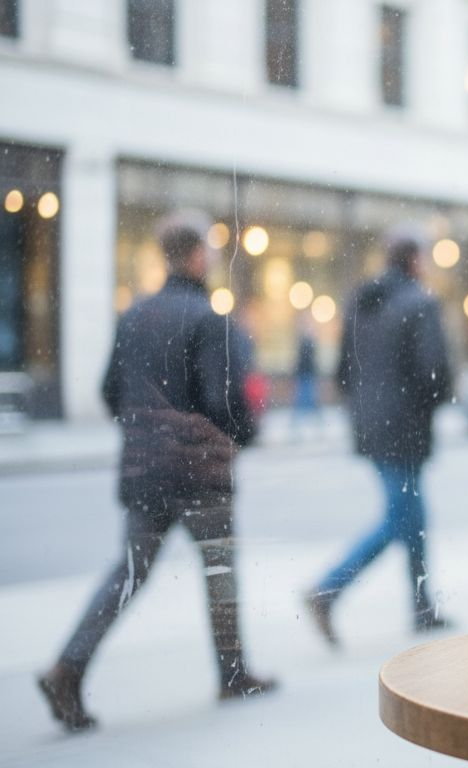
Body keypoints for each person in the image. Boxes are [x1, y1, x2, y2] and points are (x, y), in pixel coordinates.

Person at [37, 212, 275, 732]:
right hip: (197, 469)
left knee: (129, 570)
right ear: (196, 256)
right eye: (208, 251)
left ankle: (67, 668)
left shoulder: (135, 315)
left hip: (145, 469)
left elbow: (107, 391)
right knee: (219, 568)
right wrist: (247, 433)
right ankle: (232, 674)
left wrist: (147, 429)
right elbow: (223, 399)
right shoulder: (210, 319)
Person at [306, 224, 453, 646]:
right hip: (404, 426)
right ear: (414, 260)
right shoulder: (419, 303)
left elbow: (342, 371)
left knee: (414, 516)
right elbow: (435, 373)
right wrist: (433, 400)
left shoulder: (361, 300)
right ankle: (328, 590)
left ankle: (422, 605)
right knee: (402, 518)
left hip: (371, 425)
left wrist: (365, 408)